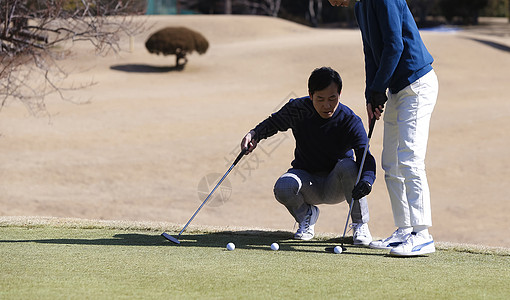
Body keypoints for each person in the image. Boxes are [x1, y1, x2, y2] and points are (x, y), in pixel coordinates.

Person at [329, 0, 439, 256]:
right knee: (390, 162)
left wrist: (380, 88)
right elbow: (371, 52)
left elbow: (394, 45)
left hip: (417, 84)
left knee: (410, 159)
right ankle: (404, 230)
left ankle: (422, 234)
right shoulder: (360, 7)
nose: (333, 2)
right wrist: (371, 94)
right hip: (397, 88)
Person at [241, 67, 376, 245]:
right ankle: (306, 216)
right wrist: (254, 134)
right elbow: (273, 123)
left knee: (349, 166)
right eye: (320, 99)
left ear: (340, 94)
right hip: (306, 181)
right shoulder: (298, 109)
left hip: (337, 185)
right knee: (284, 186)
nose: (327, 105)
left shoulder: (349, 120)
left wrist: (367, 180)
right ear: (310, 95)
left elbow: (365, 154)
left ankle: (360, 224)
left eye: (332, 98)